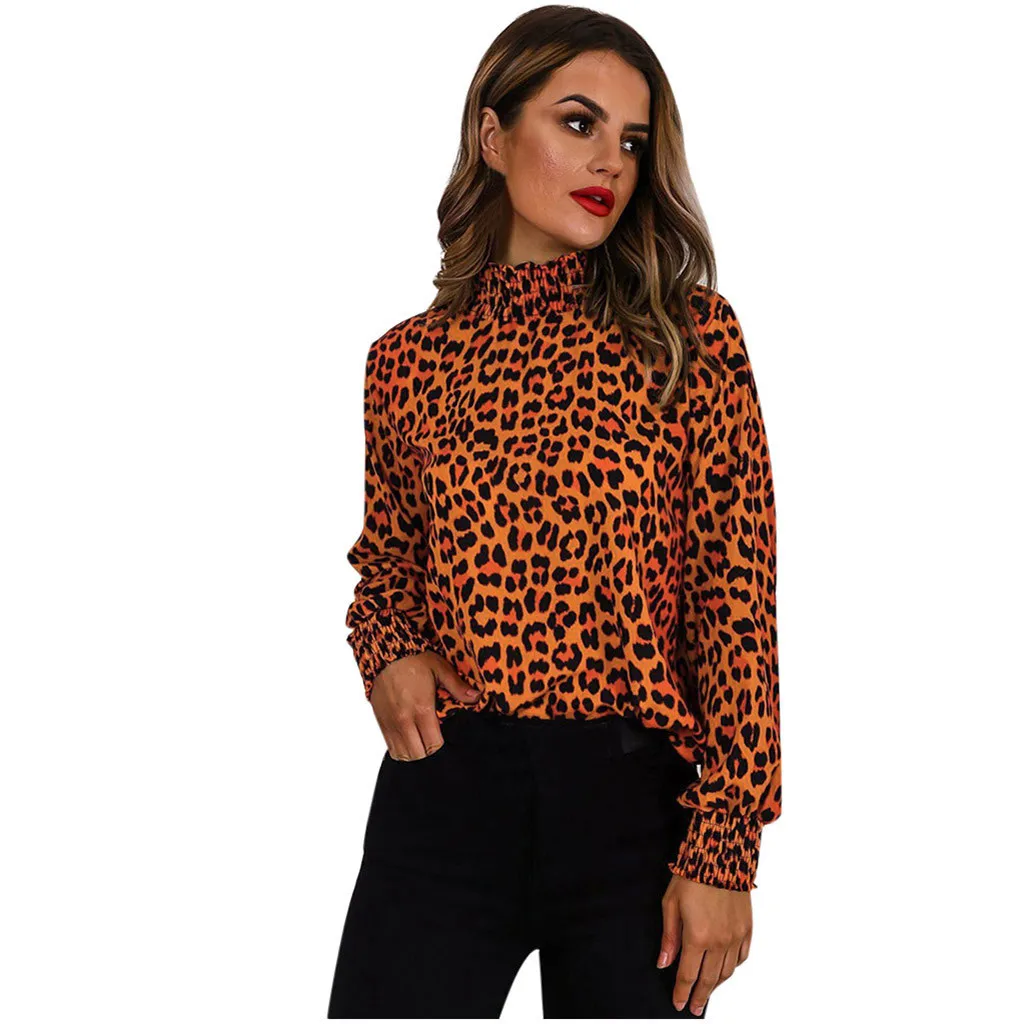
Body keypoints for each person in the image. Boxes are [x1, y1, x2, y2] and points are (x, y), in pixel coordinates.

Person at [327, 6, 781, 1018]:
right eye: (578, 123)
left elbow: (735, 607)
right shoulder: (405, 362)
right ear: (492, 137)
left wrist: (724, 849)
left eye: (633, 140)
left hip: (634, 808)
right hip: (446, 792)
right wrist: (388, 650)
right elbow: (387, 566)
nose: (611, 162)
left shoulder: (690, 340)